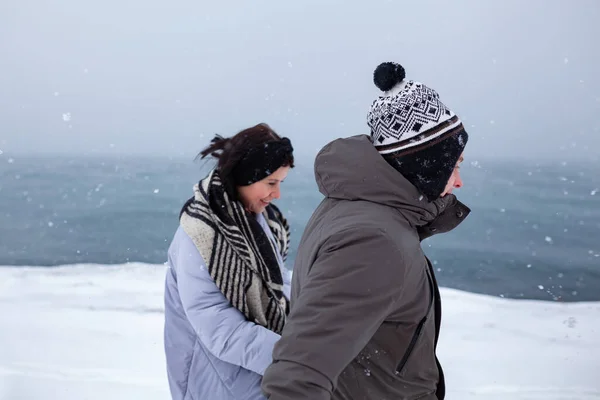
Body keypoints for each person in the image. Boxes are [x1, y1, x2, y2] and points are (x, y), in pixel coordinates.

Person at [261, 62, 471, 400]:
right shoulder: (373, 240)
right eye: (454, 165)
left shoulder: (354, 207)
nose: (460, 181)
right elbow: (298, 374)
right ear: (424, 166)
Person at [163, 123, 295, 400]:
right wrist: (296, 359)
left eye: (280, 183)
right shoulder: (200, 233)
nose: (277, 194)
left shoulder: (257, 223)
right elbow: (220, 329)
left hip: (254, 376)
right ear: (246, 177)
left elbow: (278, 286)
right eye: (271, 183)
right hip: (214, 382)